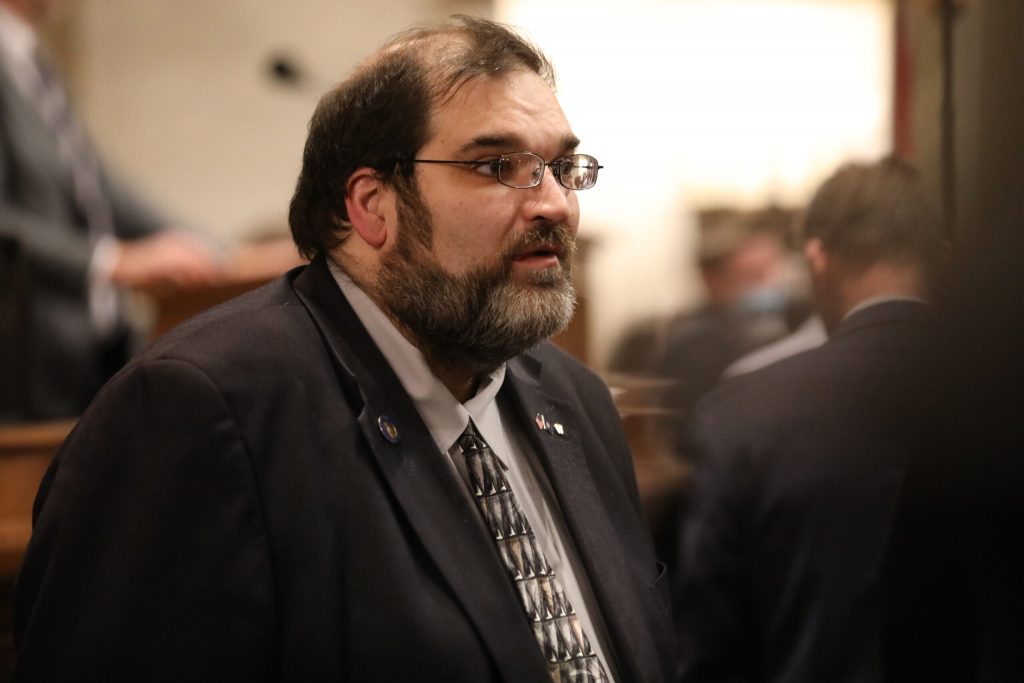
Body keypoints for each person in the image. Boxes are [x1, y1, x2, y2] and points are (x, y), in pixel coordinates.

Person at [12, 16, 676, 682]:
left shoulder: (576, 400)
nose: (555, 204)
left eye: (560, 167)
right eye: (498, 166)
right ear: (371, 205)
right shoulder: (197, 412)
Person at [672, 157, 946, 682]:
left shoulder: (743, 413)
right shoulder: (993, 392)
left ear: (817, 258)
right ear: (942, 257)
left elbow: (710, 640)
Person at [0, 0, 222, 421]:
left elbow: (95, 186)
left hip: (90, 355)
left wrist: (213, 253)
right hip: (26, 374)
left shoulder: (30, 60)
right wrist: (113, 261)